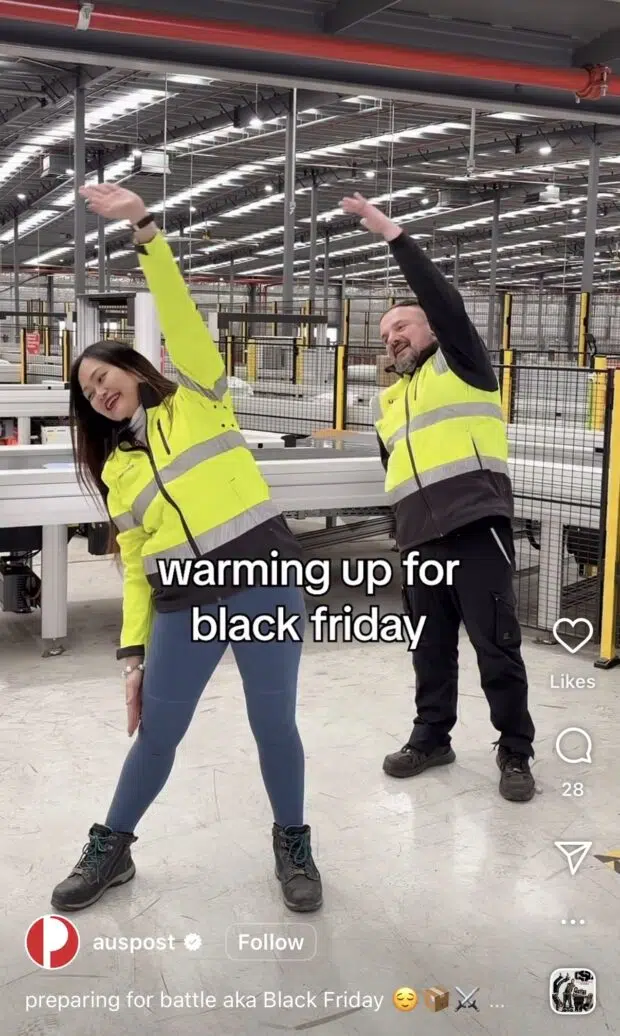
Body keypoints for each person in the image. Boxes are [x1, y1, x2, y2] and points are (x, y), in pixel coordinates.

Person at [51, 184, 322, 913]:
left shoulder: (201, 398)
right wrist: (131, 652)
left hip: (264, 585)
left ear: (134, 369)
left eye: (103, 377)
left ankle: (293, 842)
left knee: (274, 725)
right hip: (182, 605)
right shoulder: (116, 470)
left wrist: (145, 230)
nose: (99, 394)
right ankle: (113, 847)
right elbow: (136, 570)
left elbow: (177, 311)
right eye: (88, 394)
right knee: (157, 734)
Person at [341, 192, 536, 802]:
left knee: (496, 645)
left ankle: (515, 749)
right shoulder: (388, 401)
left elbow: (444, 300)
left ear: (430, 326)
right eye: (385, 334)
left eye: (402, 325)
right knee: (429, 646)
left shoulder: (463, 364)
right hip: (420, 539)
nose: (392, 338)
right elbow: (394, 469)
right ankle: (432, 737)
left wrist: (392, 234)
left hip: (476, 527)